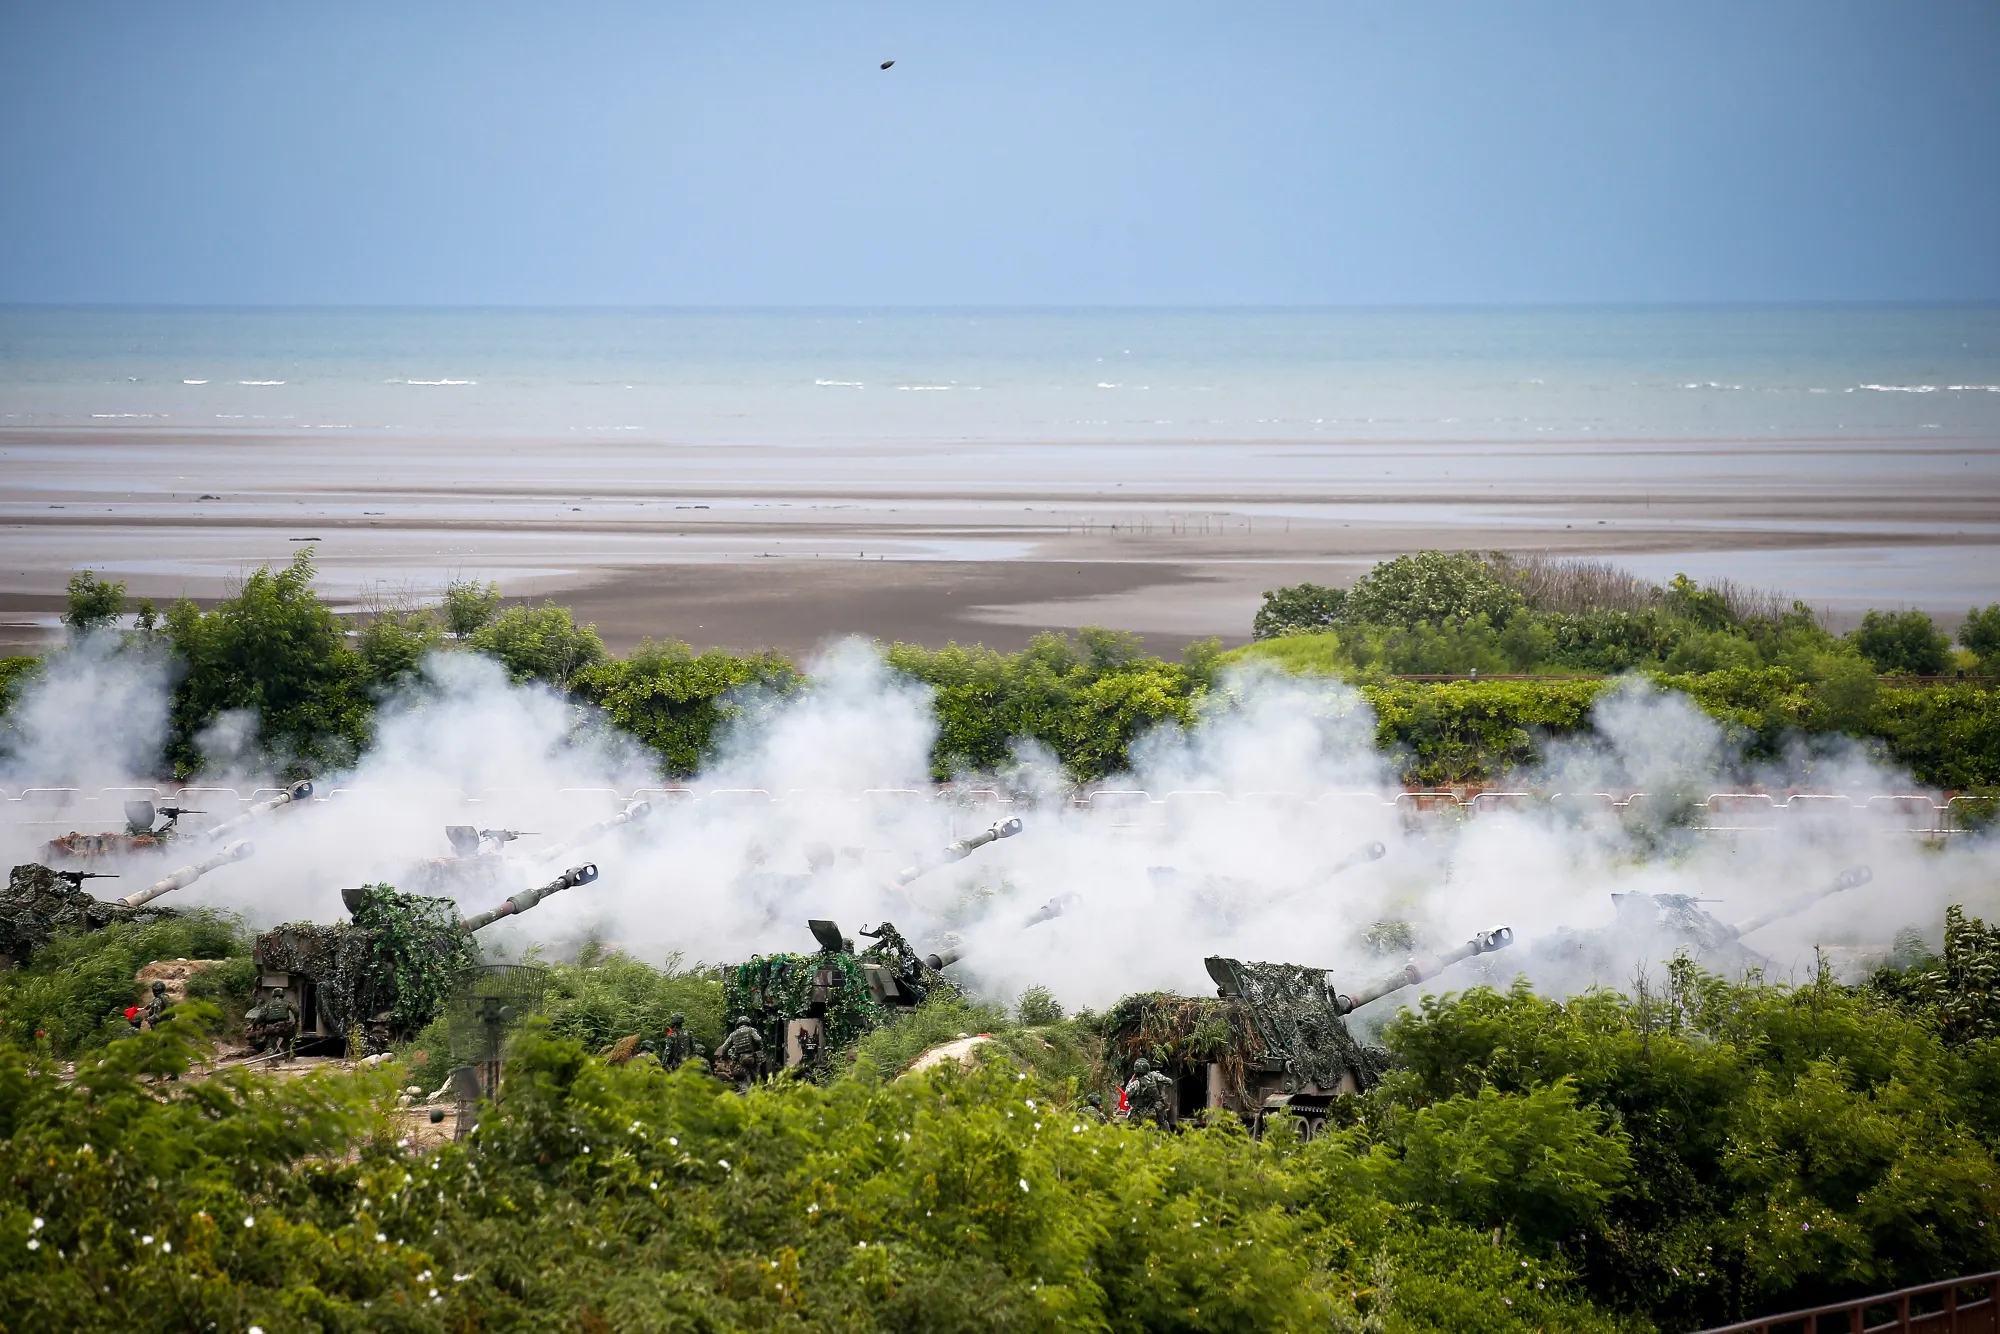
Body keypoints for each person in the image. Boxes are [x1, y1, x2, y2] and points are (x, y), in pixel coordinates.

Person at [244, 985, 299, 1060]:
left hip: (273, 1028)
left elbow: (261, 1016)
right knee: (286, 1043)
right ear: (282, 995)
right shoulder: (287, 1003)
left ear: (273, 995)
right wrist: (296, 1020)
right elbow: (296, 1010)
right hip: (285, 1027)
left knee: (270, 1045)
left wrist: (254, 1024)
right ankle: (290, 1058)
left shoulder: (268, 1005)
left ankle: (272, 1062)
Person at [712, 1014, 764, 1090]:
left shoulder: (733, 1034)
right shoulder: (751, 1030)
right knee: (756, 1076)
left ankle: (746, 1090)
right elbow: (758, 1040)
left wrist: (725, 1058)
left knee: (741, 1077)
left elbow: (724, 1048)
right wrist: (760, 1048)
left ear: (738, 1024)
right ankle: (757, 1090)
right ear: (748, 1023)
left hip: (741, 1059)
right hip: (752, 1058)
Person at [1122, 1057, 1175, 1128]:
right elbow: (1169, 1082)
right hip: (1154, 1111)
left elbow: (1127, 1093)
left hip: (1139, 1113)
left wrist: (1131, 1080)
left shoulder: (1136, 1083)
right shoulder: (1154, 1076)